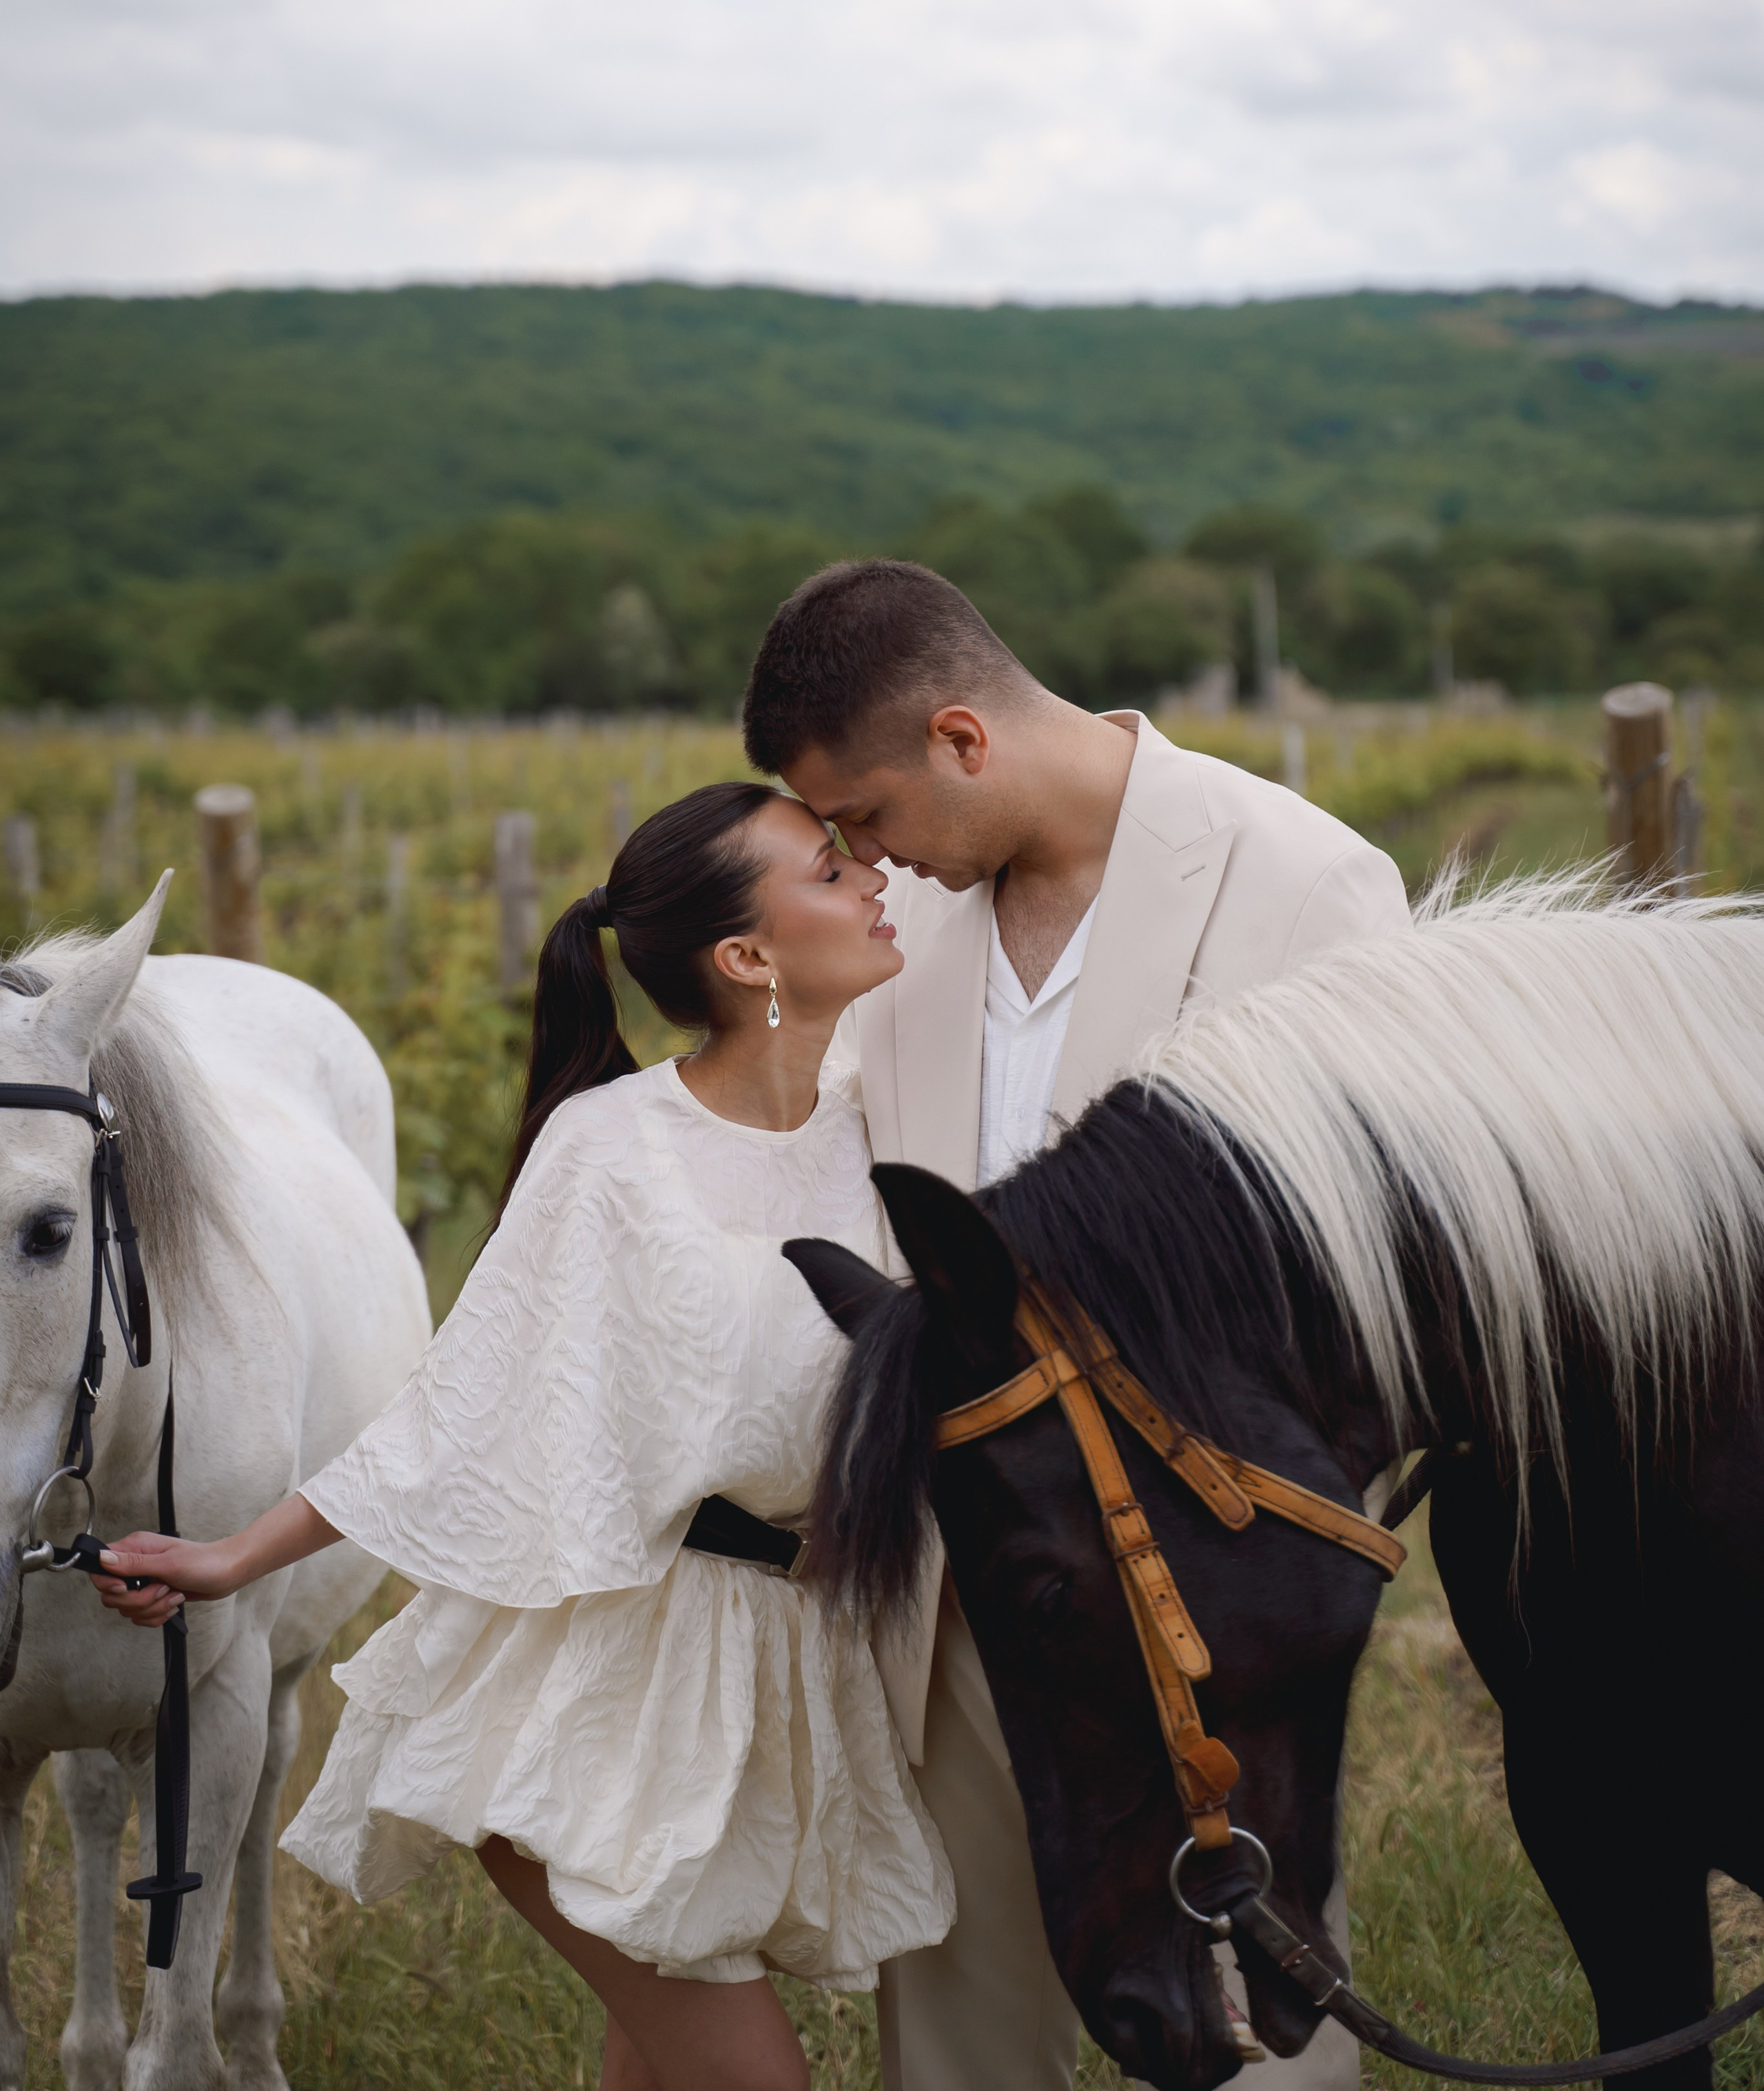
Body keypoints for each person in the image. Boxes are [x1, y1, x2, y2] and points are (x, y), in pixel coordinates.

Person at [92, 782, 954, 2091]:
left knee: (655, 2064)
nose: (876, 881)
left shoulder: (888, 1120)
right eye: (831, 875)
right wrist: (229, 1560)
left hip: (788, 1664)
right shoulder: (612, 1151)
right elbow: (456, 1405)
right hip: (607, 1689)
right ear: (748, 958)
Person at [742, 559, 1413, 2091]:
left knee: (1248, 1994)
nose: (856, 857)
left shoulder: (1303, 886)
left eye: (864, 815)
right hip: (959, 1550)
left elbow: (1370, 1268)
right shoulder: (898, 915)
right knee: (962, 2004)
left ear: (961, 740)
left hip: (1185, 1566)